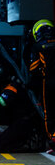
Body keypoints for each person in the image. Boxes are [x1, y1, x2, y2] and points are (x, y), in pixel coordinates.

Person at [0, 78, 46, 152]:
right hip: (22, 118)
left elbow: (1, 103)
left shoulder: (12, 88)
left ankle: (25, 142)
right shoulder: (15, 85)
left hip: (25, 120)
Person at [28, 19, 55, 148]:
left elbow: (33, 68)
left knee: (48, 111)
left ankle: (53, 139)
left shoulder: (38, 46)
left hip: (49, 82)